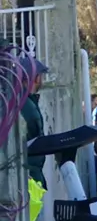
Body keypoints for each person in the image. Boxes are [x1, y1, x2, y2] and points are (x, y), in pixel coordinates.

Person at [21, 57, 50, 188]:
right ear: (36, 78)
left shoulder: (18, 101)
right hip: (30, 178)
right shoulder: (28, 107)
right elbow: (38, 141)